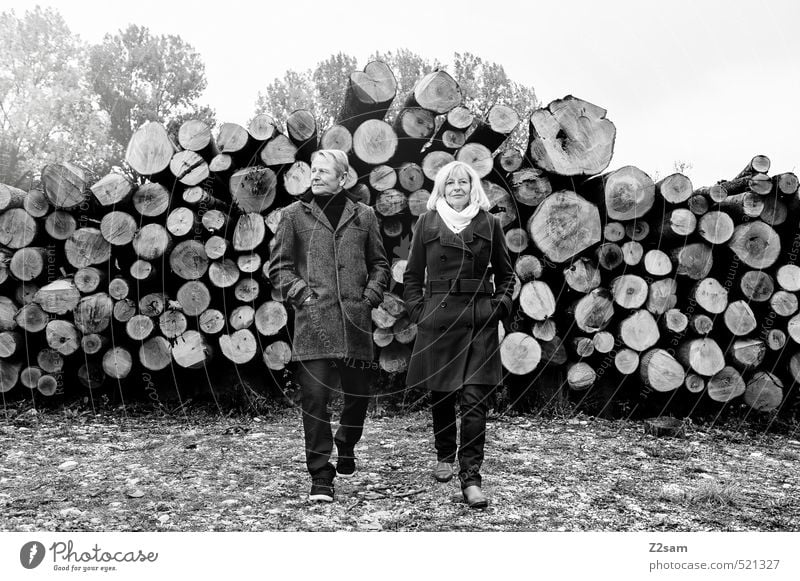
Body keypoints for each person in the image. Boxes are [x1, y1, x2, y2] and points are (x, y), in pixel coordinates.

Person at [268, 149, 390, 502]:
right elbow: (279, 267)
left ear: (343, 177)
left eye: (324, 171)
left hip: (355, 323)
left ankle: (346, 442)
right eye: (313, 171)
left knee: (358, 397)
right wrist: (302, 294)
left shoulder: (364, 216)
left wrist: (369, 297)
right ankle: (321, 475)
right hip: (313, 324)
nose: (316, 176)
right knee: (315, 399)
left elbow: (380, 263)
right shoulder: (293, 216)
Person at [403, 160, 515, 509]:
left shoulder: (489, 223)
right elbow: (411, 276)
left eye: (462, 182)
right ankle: (443, 455)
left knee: (474, 402)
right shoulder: (427, 222)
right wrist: (420, 312)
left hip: (478, 320)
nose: (456, 187)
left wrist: (497, 308)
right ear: (441, 188)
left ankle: (471, 479)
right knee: (441, 395)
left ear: (472, 187)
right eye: (449, 182)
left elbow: (508, 275)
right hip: (438, 319)